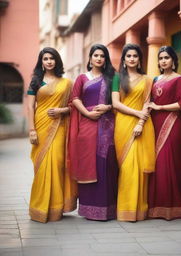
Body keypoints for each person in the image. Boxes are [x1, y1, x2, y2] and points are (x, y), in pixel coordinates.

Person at [68, 44, 118, 220]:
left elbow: (119, 100)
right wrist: (88, 113)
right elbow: (74, 98)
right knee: (88, 162)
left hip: (107, 124)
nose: (98, 58)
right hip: (87, 124)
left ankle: (108, 208)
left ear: (105, 59)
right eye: (95, 55)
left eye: (102, 55)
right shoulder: (82, 78)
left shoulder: (111, 77)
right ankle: (89, 208)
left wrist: (108, 107)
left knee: (106, 162)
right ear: (90, 58)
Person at [27, 47, 77, 223]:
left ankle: (56, 208)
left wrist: (62, 110)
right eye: (45, 58)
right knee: (41, 166)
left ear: (57, 61)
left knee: (57, 163)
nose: (49, 61)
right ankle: (39, 208)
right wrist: (32, 130)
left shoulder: (66, 83)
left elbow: (74, 105)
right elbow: (30, 106)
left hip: (59, 127)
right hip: (40, 127)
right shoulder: (36, 81)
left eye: (52, 58)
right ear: (41, 61)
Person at [112, 44, 155, 221]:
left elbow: (147, 103)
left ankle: (140, 210)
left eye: (135, 56)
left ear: (139, 59)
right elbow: (115, 103)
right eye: (128, 56)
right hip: (123, 124)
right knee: (126, 168)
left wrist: (140, 122)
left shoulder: (147, 79)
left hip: (142, 125)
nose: (131, 59)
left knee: (138, 166)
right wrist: (136, 113)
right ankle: (125, 209)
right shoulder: (117, 78)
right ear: (123, 59)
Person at [148, 46, 181, 220]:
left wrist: (160, 107)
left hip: (172, 124)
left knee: (169, 162)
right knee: (156, 163)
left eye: (167, 58)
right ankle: (155, 206)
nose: (163, 61)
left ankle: (173, 206)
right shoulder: (156, 79)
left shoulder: (178, 79)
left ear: (173, 60)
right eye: (161, 58)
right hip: (154, 124)